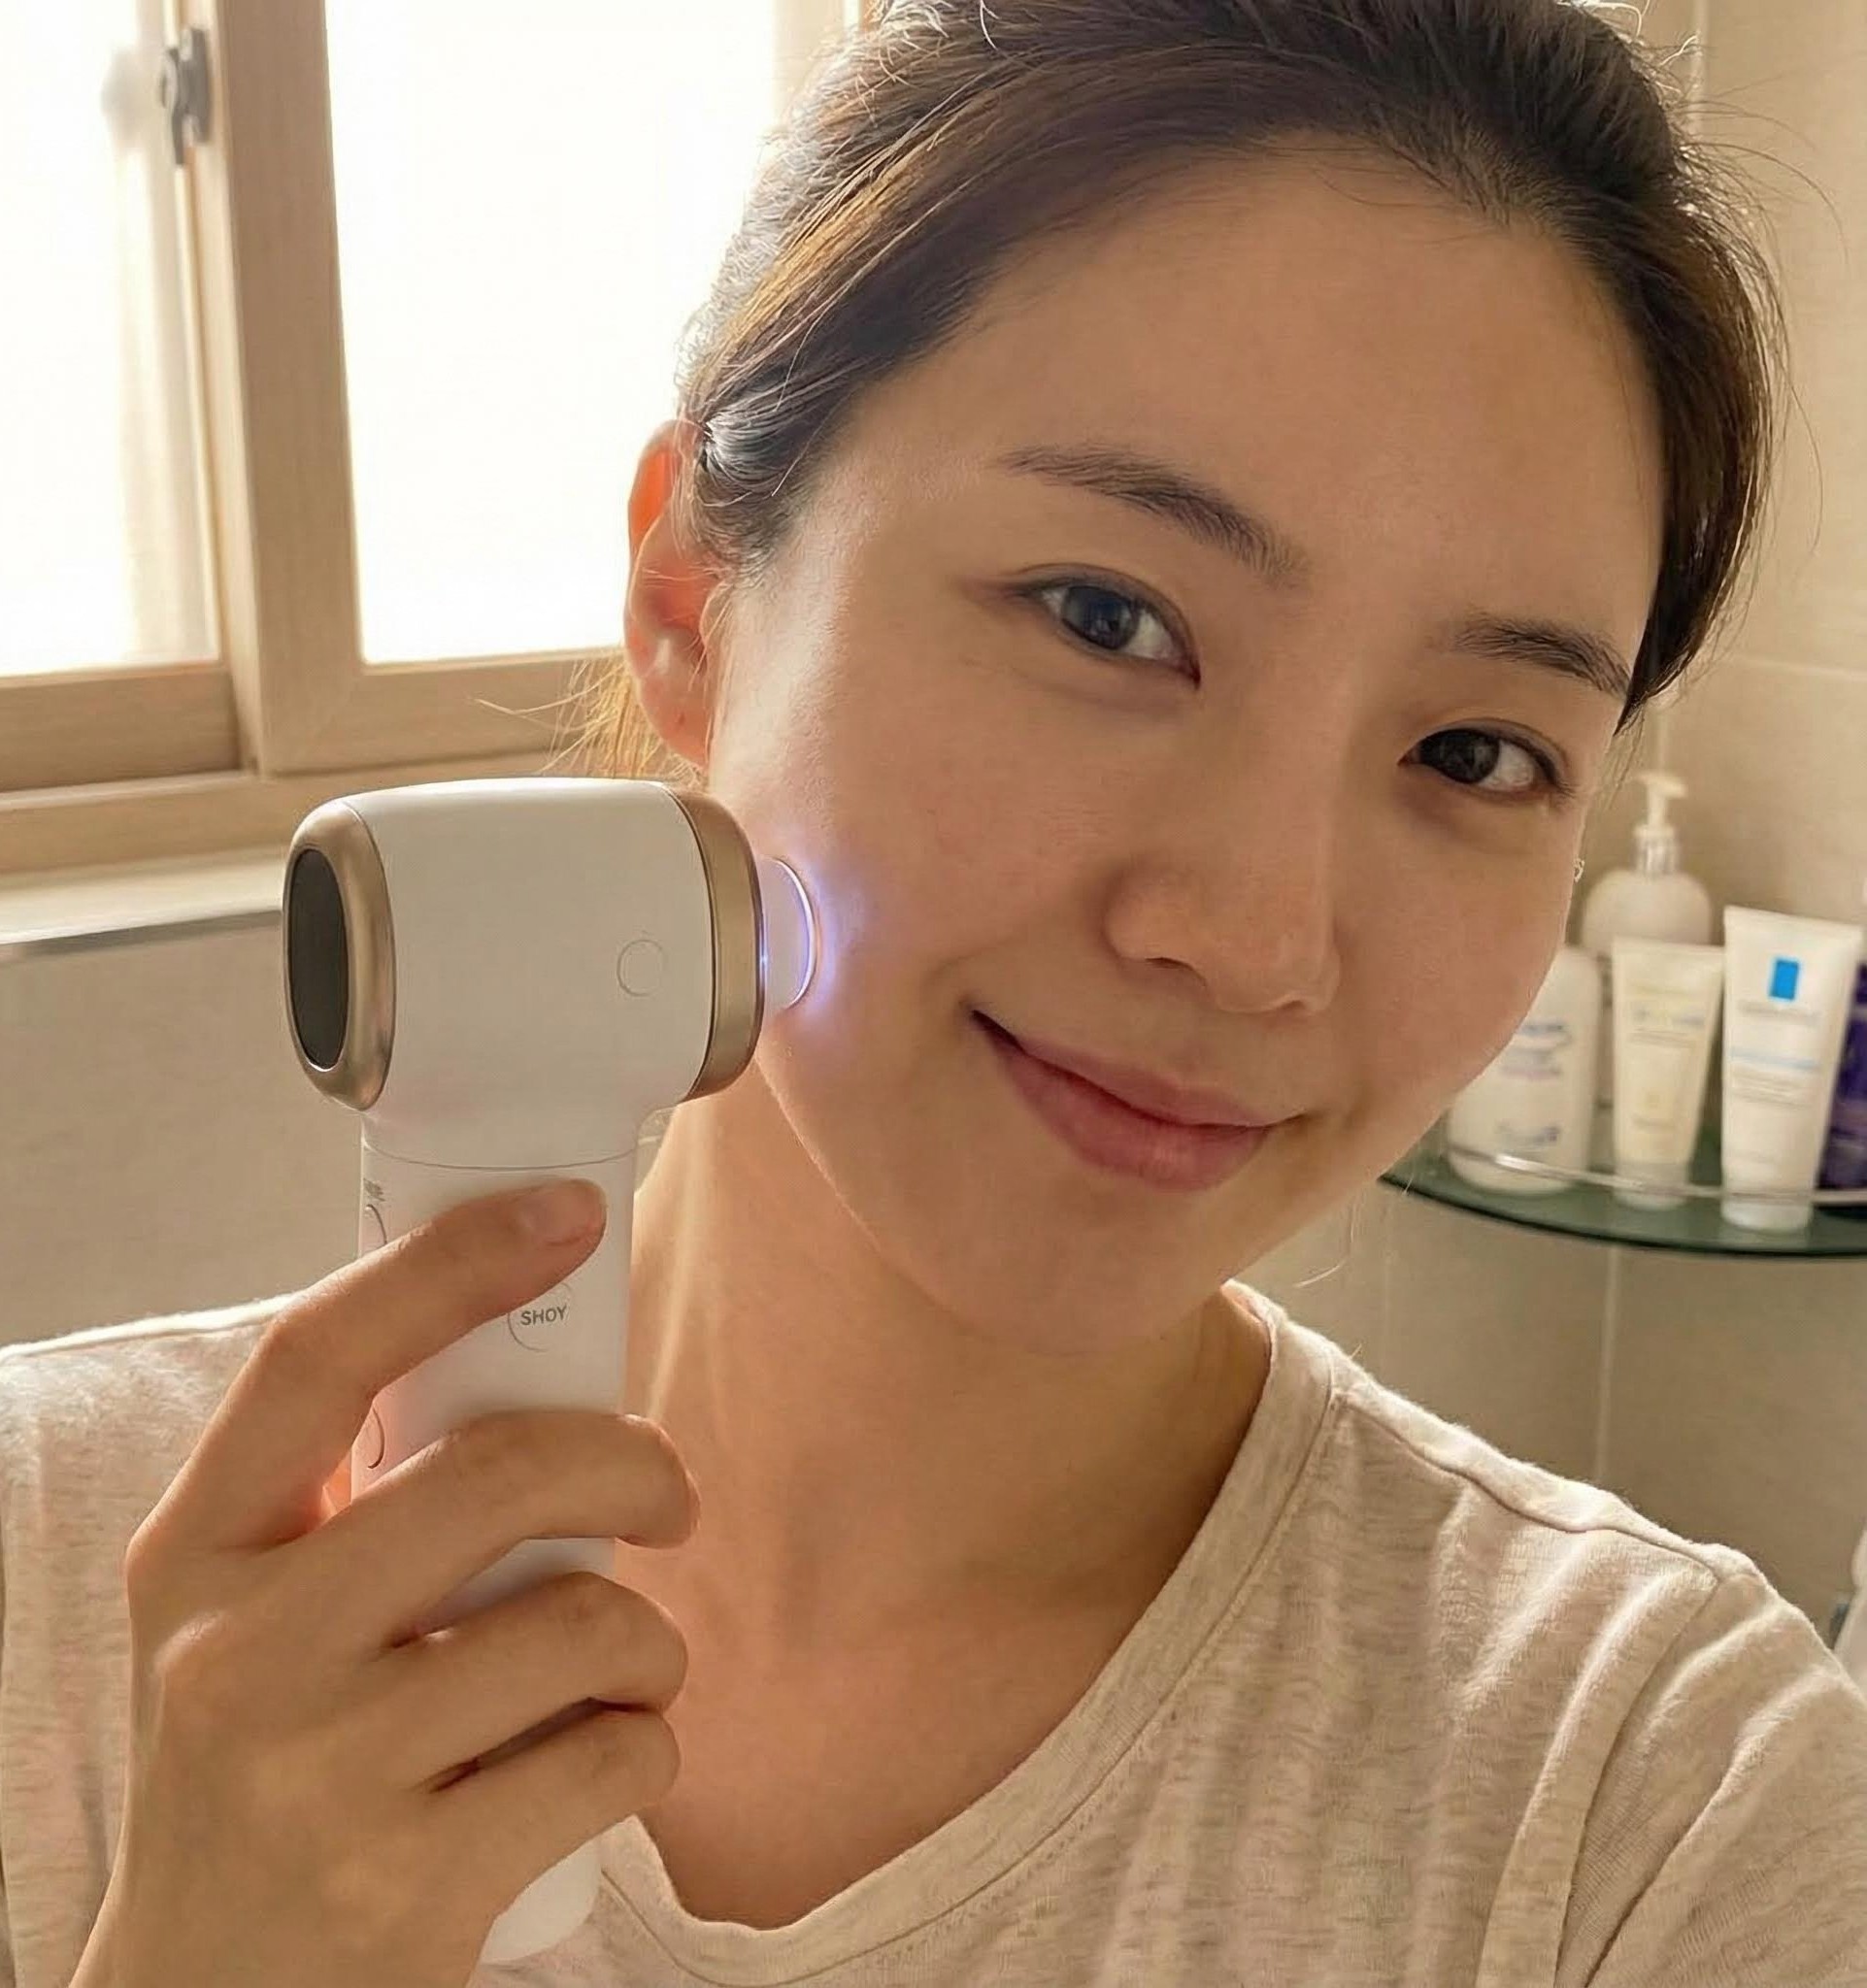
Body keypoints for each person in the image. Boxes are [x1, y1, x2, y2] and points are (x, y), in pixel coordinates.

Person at [4, 1, 1864, 1984]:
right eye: (1106, 616)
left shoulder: (1664, 1805)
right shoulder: (45, 1573)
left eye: (1476, 752)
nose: (1252, 937)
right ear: (691, 602)